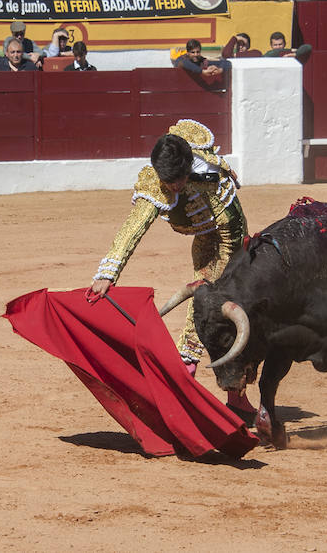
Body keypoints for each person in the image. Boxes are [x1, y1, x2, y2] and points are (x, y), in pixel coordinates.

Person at [85, 119, 258, 423]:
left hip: (233, 240)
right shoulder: (157, 180)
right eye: (168, 183)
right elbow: (133, 228)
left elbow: (216, 164)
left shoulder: (194, 153)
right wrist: (107, 273)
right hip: (207, 240)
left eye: (177, 181)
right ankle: (187, 372)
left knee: (224, 307)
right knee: (211, 303)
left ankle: (225, 389)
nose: (172, 188)